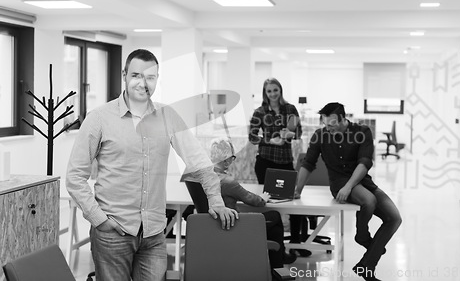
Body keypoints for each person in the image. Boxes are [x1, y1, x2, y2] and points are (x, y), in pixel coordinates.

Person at [66, 49, 238, 281]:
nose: (142, 83)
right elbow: (75, 177)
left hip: (154, 234)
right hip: (112, 233)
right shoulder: (99, 118)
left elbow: (200, 163)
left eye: (150, 77)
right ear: (124, 75)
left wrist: (215, 200)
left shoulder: (168, 116)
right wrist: (99, 220)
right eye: (136, 75)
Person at [294, 102, 402, 281]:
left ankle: (365, 263)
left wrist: (349, 186)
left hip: (360, 181)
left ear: (343, 119)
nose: (328, 129)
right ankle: (363, 239)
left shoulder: (362, 132)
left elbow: (365, 162)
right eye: (325, 124)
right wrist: (298, 189)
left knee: (394, 218)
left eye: (332, 124)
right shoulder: (320, 135)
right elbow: (308, 163)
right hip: (338, 183)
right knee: (368, 201)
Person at [209, 137, 297, 268]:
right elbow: (252, 200)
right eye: (233, 158)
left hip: (210, 225)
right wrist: (262, 198)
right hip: (232, 224)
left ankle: (278, 262)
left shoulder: (203, 178)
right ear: (227, 161)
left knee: (274, 229)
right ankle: (278, 265)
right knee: (275, 217)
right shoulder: (228, 182)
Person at [248, 77, 310, 257]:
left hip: (285, 161)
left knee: (295, 203)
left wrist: (290, 133)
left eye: (275, 90)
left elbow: (299, 133)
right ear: (265, 93)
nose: (273, 94)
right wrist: (270, 140)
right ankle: (273, 246)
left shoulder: (290, 109)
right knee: (268, 204)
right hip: (265, 162)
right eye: (269, 91)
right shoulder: (259, 112)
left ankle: (297, 242)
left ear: (280, 90)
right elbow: (252, 137)